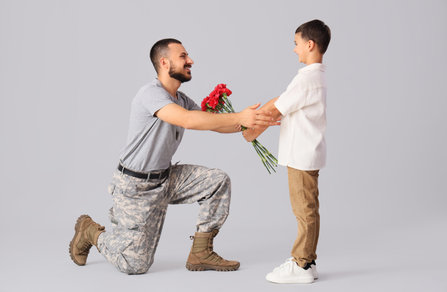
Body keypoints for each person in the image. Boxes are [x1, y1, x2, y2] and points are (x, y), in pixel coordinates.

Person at [69, 38, 278, 274]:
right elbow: (188, 120)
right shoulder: (150, 93)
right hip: (136, 186)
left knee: (217, 181)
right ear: (164, 62)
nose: (191, 61)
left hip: (166, 178)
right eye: (183, 56)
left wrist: (258, 121)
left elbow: (213, 124)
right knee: (134, 265)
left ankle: (201, 253)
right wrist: (238, 118)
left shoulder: (182, 99)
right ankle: (90, 231)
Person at [243, 19, 331, 284]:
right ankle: (307, 262)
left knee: (304, 210)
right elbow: (281, 100)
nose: (294, 49)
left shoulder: (308, 79)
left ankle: (302, 264)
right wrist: (257, 118)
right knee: (307, 209)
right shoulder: (312, 77)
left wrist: (252, 130)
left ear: (310, 44)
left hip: (301, 154)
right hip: (306, 152)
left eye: (296, 44)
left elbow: (277, 109)